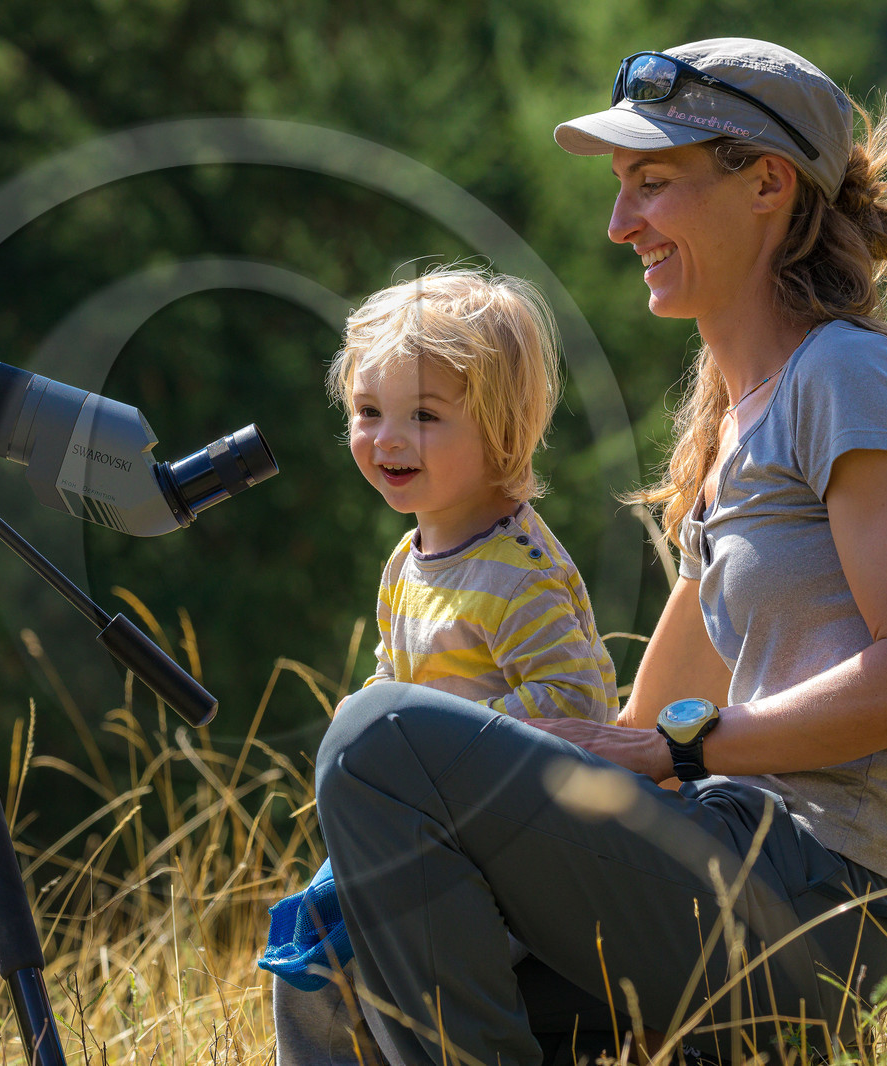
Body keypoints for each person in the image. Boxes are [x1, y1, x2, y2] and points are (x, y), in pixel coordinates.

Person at [312, 39, 887, 1066]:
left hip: (811, 900)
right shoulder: (731, 428)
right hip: (715, 862)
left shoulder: (847, 376)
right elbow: (624, 734)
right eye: (622, 187)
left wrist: (680, 747)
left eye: (653, 184)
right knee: (337, 961)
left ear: (766, 183)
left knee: (375, 737)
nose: (619, 223)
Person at [264, 268, 619, 1064]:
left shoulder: (514, 571)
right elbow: (395, 676)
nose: (386, 438)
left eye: (423, 416)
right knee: (308, 961)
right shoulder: (409, 560)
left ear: (500, 429)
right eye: (367, 412)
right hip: (427, 830)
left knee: (374, 967)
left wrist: (448, 747)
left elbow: (579, 703)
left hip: (509, 847)